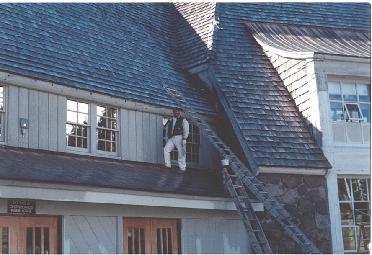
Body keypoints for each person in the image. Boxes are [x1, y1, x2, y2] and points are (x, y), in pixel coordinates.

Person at [164, 107, 189, 173]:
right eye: (174, 111)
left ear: (179, 112)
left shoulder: (183, 120)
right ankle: (167, 165)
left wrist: (184, 137)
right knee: (166, 149)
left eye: (177, 111)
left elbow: (186, 129)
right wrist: (168, 137)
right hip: (172, 137)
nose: (175, 112)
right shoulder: (171, 120)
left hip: (180, 137)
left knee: (181, 152)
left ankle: (182, 168)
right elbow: (167, 128)